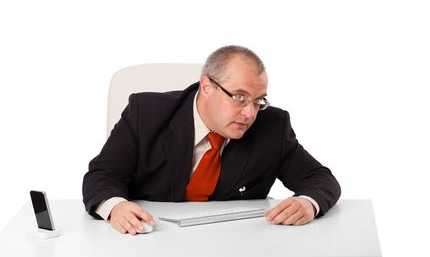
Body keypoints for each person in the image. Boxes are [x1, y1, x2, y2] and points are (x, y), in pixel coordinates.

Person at [82, 45, 340, 235]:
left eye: (258, 100)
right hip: (148, 239)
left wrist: (308, 203)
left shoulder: (272, 125)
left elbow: (319, 178)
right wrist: (115, 207)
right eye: (239, 96)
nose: (250, 113)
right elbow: (102, 176)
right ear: (206, 87)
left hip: (234, 242)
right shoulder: (146, 112)